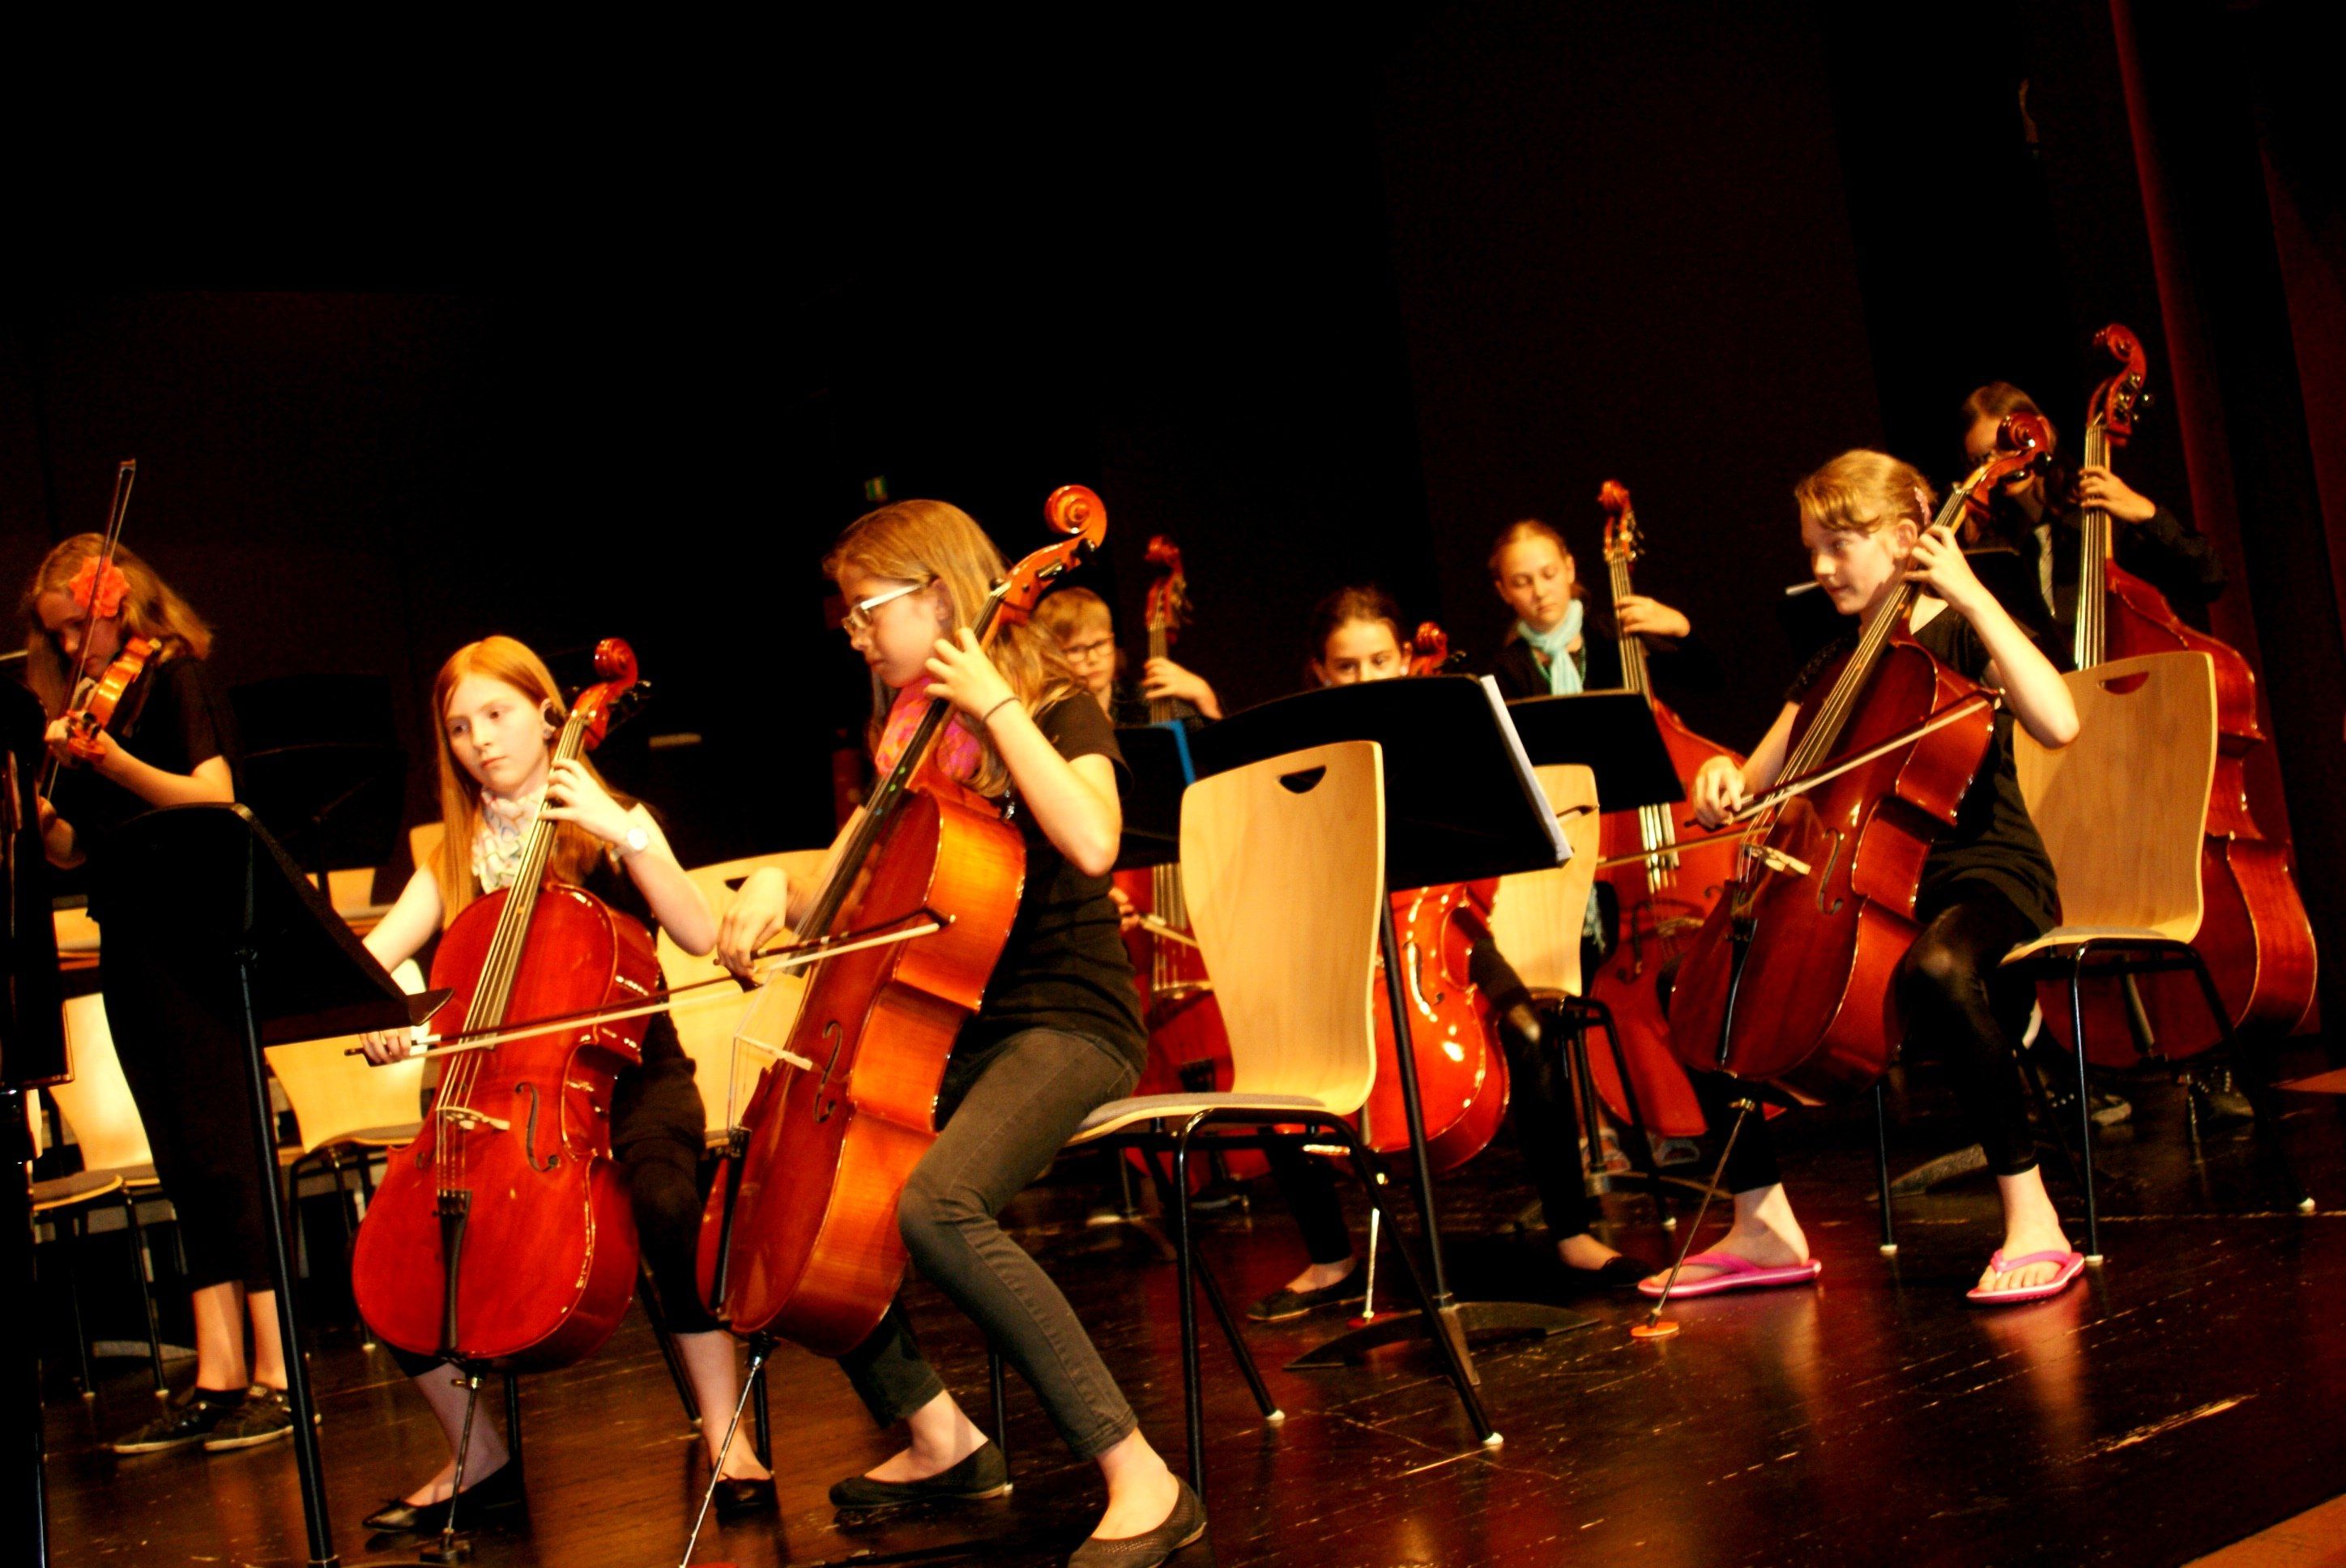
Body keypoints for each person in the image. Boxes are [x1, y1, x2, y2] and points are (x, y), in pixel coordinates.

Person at [716, 500, 1202, 1568]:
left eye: (867, 611)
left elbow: (1094, 838)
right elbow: (836, 884)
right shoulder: (905, 734)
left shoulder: (1054, 706)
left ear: (939, 597)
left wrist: (996, 707)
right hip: (958, 1026)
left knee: (938, 1204)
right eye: (847, 615)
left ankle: (1142, 1476)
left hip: (1069, 1020)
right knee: (793, 1182)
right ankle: (940, 1434)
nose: (854, 634)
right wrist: (767, 887)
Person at [352, 635, 774, 1532]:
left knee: (666, 1201)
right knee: (396, 1248)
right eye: (459, 727)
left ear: (551, 716)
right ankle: (477, 1454)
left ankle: (724, 1432)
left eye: (497, 714)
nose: (480, 740)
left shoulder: (616, 819)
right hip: (499, 1093)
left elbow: (699, 933)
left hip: (634, 1073)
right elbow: (368, 967)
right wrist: (391, 1017)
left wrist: (622, 831)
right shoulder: (454, 857)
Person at [1657, 449, 2085, 1306]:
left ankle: (2034, 1217)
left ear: (1904, 535)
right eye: (1812, 549)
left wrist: (1971, 594)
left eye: (1838, 544)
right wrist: (1719, 782)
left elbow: (2060, 720)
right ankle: (1761, 1223)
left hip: (1981, 875)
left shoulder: (1960, 634)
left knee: (1940, 968)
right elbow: (1756, 780)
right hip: (1867, 885)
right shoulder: (1833, 665)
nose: (1820, 568)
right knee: (1694, 980)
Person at [1250, 586, 1658, 1324]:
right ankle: (1330, 1257)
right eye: (1347, 667)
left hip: (1447, 936)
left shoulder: (1444, 736)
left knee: (1531, 1032)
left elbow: (1487, 867)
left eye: (1380, 661)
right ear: (1320, 671)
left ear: (1407, 657)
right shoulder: (1301, 758)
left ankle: (1572, 1233)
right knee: (1271, 1066)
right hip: (1342, 944)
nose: (1366, 678)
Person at [25, 537, 285, 1455]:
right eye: (57, 637)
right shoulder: (91, 711)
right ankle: (217, 1372)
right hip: (131, 941)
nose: (70, 648)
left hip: (197, 938)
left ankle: (277, 1371)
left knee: (229, 1154)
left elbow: (213, 798)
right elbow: (74, 852)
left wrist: (111, 763)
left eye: (77, 627)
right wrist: (41, 813)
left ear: (120, 603)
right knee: (180, 1159)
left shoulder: (178, 678)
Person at [1960, 382, 2245, 1125]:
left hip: (2144, 741)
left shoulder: (2097, 509)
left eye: (2006, 453)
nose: (1998, 473)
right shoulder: (1989, 551)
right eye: (1982, 461)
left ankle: (2209, 1058)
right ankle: (2070, 1070)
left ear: (2040, 436)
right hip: (2050, 739)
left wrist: (2141, 512)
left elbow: (2208, 575)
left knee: (2172, 873)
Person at [1482, 518, 1712, 700]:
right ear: (1504, 591)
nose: (1540, 591)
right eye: (1521, 582)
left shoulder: (1614, 635)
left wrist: (1682, 629)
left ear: (1569, 569)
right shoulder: (1505, 671)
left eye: (1549, 574)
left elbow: (1707, 681)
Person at [1033, 585, 1222, 724]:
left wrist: (1205, 697)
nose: (1093, 658)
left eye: (1100, 643)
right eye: (1075, 649)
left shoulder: (1144, 701)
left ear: (1112, 640)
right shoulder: (1045, 719)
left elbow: (1219, 757)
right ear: (1050, 656)